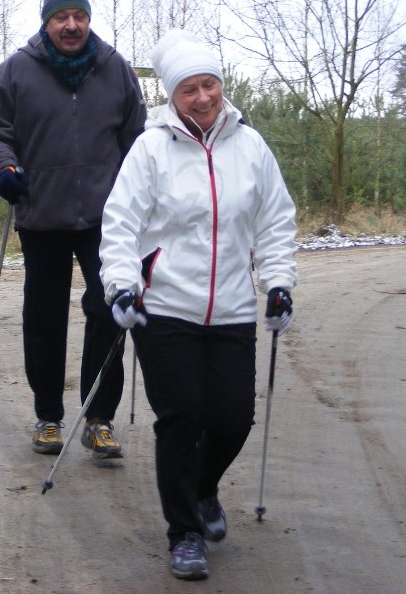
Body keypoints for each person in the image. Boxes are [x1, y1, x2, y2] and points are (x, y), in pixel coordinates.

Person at [99, 29, 298, 580]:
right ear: (171, 96)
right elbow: (120, 224)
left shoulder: (251, 146)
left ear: (221, 86)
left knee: (233, 418)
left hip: (232, 306)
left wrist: (278, 282)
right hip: (164, 307)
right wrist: (121, 283)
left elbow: (275, 221)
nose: (203, 97)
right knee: (182, 417)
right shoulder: (151, 148)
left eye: (209, 84)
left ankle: (204, 488)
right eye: (189, 89)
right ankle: (185, 532)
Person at [0, 0, 147, 458]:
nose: (71, 26)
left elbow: (139, 141)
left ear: (88, 20)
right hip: (41, 211)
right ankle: (48, 416)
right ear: (46, 21)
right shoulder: (15, 72)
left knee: (109, 308)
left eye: (79, 16)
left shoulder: (115, 70)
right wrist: (2, 168)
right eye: (61, 17)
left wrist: (146, 196)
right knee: (45, 316)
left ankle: (98, 417)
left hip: (107, 217)